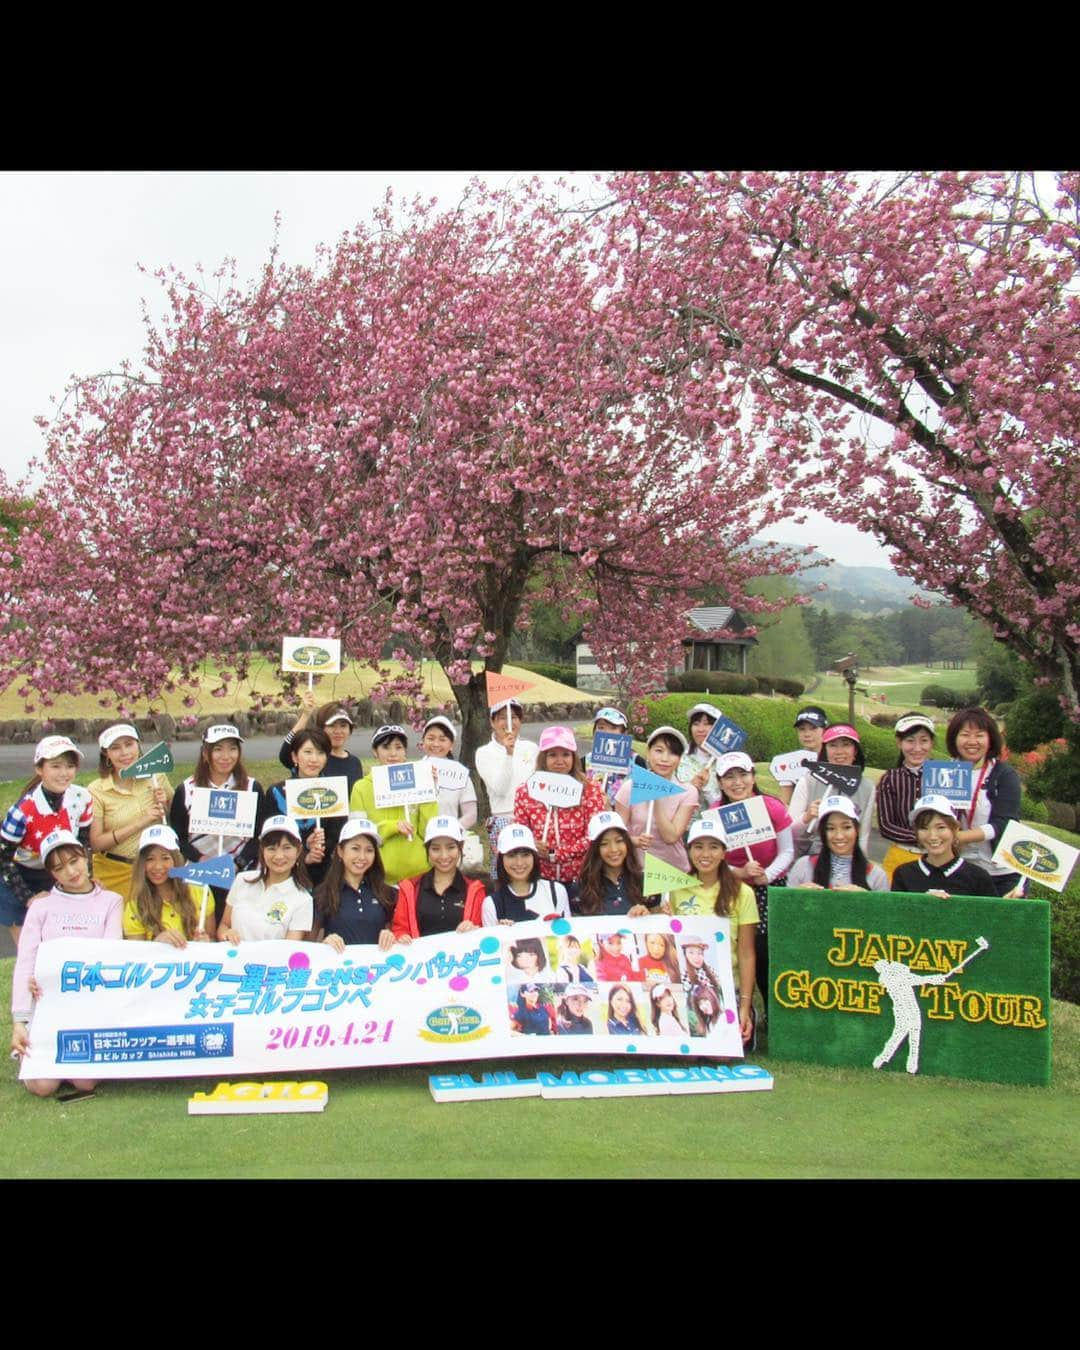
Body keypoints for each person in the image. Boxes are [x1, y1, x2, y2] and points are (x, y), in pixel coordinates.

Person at [10, 829, 123, 1099]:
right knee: (43, 1087)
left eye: (74, 861)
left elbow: (109, 954)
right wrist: (20, 1021)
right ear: (52, 874)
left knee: (85, 1083)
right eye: (59, 868)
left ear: (85, 857)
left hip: (88, 1004)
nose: (71, 871)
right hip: (48, 1004)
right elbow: (26, 960)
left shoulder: (111, 901)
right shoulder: (41, 907)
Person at [706, 750, 794, 1011]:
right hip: (732, 885)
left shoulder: (772, 807)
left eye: (743, 775)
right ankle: (733, 1007)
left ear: (753, 776)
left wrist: (768, 874)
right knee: (734, 947)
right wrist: (739, 872)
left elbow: (787, 850)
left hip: (770, 886)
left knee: (765, 949)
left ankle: (772, 1010)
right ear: (720, 782)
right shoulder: (715, 813)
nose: (737, 782)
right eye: (729, 777)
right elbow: (710, 858)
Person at [667, 818, 757, 1044]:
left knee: (722, 1053)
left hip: (727, 986)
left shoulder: (743, 893)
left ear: (724, 853)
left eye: (713, 847)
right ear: (688, 851)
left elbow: (746, 953)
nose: (705, 854)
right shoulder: (676, 890)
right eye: (698, 847)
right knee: (689, 1054)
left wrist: (745, 1006)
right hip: (690, 988)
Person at [0, 735, 93, 944]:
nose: (64, 773)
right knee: (30, 951)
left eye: (70, 766)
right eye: (55, 766)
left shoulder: (83, 799)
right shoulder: (21, 812)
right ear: (40, 769)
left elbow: (85, 844)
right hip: (17, 877)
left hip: (58, 874)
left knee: (62, 945)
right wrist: (28, 898)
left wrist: (88, 879)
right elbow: (3, 859)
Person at [169, 723, 265, 923]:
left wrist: (237, 863)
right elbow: (177, 836)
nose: (226, 756)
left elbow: (259, 835)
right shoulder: (186, 789)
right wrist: (201, 858)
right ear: (205, 753)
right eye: (218, 749)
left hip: (240, 873)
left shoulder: (251, 787)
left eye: (232, 748)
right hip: (199, 874)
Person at [88, 722, 171, 903]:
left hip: (154, 871)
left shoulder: (156, 776)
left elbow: (171, 822)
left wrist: (165, 805)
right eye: (115, 748)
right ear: (106, 754)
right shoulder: (97, 790)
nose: (125, 753)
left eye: (129, 744)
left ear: (138, 745)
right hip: (114, 872)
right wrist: (142, 821)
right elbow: (96, 843)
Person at [947, 706, 1025, 897]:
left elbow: (1004, 823)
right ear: (954, 739)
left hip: (1002, 872)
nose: (972, 742)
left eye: (979, 735)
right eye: (965, 734)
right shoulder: (944, 772)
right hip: (961, 869)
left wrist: (961, 837)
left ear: (990, 740)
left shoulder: (1004, 775)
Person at [513, 725, 605, 885]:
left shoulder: (590, 789)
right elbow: (519, 830)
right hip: (539, 878)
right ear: (543, 758)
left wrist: (556, 853)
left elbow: (595, 834)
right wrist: (531, 842)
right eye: (553, 755)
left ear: (574, 757)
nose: (560, 761)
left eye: (566, 754)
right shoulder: (526, 790)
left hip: (581, 877)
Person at [349, 724, 440, 887]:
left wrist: (430, 791)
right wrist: (391, 827)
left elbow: (429, 829)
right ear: (375, 752)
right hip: (380, 877)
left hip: (419, 874)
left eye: (398, 747)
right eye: (385, 747)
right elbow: (357, 834)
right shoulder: (361, 787)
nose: (393, 754)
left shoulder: (418, 781)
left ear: (405, 752)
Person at [266, 726, 346, 889]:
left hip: (326, 878)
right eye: (308, 752)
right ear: (295, 756)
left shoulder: (334, 790)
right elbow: (269, 839)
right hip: (285, 875)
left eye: (320, 753)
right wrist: (303, 852)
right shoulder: (277, 792)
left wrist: (321, 847)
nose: (314, 759)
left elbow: (338, 834)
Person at [614, 726, 699, 871]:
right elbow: (617, 833)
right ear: (648, 752)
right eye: (659, 751)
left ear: (679, 759)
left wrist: (656, 798)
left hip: (672, 871)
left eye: (673, 753)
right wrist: (635, 841)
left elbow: (671, 837)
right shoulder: (629, 787)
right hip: (636, 870)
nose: (664, 759)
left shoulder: (688, 792)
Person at [217, 815, 313, 943]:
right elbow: (223, 926)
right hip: (234, 961)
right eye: (271, 848)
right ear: (262, 850)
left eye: (287, 848)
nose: (279, 856)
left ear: (299, 850)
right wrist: (226, 935)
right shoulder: (242, 880)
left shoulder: (303, 900)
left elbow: (290, 949)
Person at [391, 815, 486, 940]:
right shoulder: (409, 888)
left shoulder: (475, 890)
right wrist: (401, 936)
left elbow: (484, 932)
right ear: (427, 850)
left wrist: (474, 929)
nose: (444, 856)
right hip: (422, 959)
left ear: (460, 847)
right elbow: (399, 928)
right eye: (436, 849)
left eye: (450, 847)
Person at [474, 698, 539, 879]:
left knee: (530, 873)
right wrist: (508, 754)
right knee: (503, 875)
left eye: (514, 717)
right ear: (492, 722)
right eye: (502, 717)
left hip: (531, 819)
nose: (509, 722)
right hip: (503, 819)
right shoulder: (484, 753)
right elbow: (500, 789)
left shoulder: (532, 748)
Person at [790, 723, 876, 860]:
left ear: (855, 751)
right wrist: (807, 817)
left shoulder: (867, 787)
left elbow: (863, 836)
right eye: (833, 745)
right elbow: (789, 832)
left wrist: (860, 868)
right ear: (825, 750)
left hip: (848, 861)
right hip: (810, 858)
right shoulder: (808, 781)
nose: (839, 751)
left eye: (846, 744)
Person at [311, 817, 398, 952]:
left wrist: (393, 936)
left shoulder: (387, 893)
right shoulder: (323, 894)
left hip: (378, 970)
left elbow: (402, 934)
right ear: (340, 851)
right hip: (338, 971)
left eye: (369, 850)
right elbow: (307, 945)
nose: (362, 857)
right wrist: (324, 943)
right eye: (355, 848)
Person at [891, 795, 1000, 898]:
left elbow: (991, 915)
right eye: (924, 828)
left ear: (955, 829)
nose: (932, 836)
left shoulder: (978, 877)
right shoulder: (904, 874)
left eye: (941, 827)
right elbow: (896, 915)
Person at [124, 823, 215, 943]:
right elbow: (135, 955)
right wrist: (157, 943)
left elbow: (213, 940)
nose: (158, 866)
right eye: (150, 859)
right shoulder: (135, 905)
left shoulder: (201, 891)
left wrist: (205, 944)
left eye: (165, 858)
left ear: (176, 859)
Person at [874, 712, 938, 882]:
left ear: (932, 742)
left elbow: (954, 820)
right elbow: (886, 826)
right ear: (899, 742)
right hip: (901, 856)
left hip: (939, 859)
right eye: (910, 740)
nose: (917, 748)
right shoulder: (890, 778)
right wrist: (924, 836)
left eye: (924, 740)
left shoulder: (946, 775)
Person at [787, 795, 889, 891]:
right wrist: (799, 897)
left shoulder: (876, 876)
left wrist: (864, 899)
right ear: (822, 832)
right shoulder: (804, 866)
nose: (839, 836)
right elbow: (785, 906)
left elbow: (884, 909)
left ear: (857, 829)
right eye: (830, 828)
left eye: (846, 827)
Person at [482, 822, 570, 925]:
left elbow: (568, 937)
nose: (519, 863)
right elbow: (491, 939)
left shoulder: (556, 891)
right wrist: (502, 934)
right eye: (511, 855)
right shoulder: (491, 904)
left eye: (525, 855)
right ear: (501, 859)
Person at [277, 692, 364, 794]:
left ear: (350, 730)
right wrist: (306, 715)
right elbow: (285, 752)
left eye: (343, 726)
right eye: (332, 725)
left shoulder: (355, 763)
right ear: (321, 728)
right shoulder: (312, 760)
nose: (338, 731)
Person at [573, 812, 651, 916]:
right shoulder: (581, 887)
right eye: (604, 844)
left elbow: (657, 921)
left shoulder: (644, 881)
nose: (613, 849)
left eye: (619, 841)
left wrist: (647, 914)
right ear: (595, 849)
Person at [420, 715, 478, 830]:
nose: (436, 744)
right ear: (423, 741)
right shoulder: (413, 770)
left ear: (451, 745)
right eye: (431, 738)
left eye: (442, 739)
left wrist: (450, 831)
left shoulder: (460, 774)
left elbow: (471, 815)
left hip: (449, 840)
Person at [584, 706, 646, 806]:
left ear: (624, 733)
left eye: (613, 728)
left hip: (624, 818)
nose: (606, 732)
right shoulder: (585, 761)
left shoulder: (637, 762)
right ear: (594, 731)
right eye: (601, 727)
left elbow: (642, 798)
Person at [772, 706, 828, 806]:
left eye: (813, 728)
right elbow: (785, 802)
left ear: (825, 729)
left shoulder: (836, 758)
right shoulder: (789, 761)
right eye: (802, 729)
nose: (807, 734)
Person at [675, 702, 725, 807]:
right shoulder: (679, 757)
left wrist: (706, 789)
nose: (700, 729)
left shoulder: (726, 761)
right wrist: (691, 789)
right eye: (696, 724)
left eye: (707, 724)